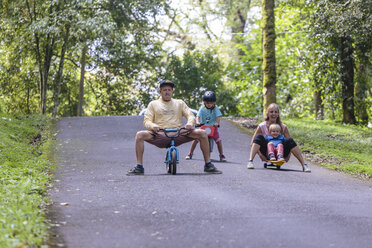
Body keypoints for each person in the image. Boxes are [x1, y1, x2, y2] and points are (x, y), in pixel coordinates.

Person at [127, 80, 222, 175]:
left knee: (202, 133)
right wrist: (153, 126)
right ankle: (139, 167)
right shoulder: (153, 104)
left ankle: (208, 165)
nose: (167, 92)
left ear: (172, 91)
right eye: (164, 90)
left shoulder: (179, 103)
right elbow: (147, 120)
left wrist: (190, 123)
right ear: (160, 91)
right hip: (160, 133)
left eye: (169, 90)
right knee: (139, 135)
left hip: (178, 133)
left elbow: (190, 115)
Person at [246, 103, 311, 172]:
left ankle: (304, 165)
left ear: (278, 114)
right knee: (258, 137)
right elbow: (252, 142)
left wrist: (288, 156)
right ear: (267, 113)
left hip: (281, 152)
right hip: (267, 151)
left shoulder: (283, 127)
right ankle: (250, 161)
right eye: (271, 112)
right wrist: (260, 154)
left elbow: (290, 143)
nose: (273, 114)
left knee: (290, 140)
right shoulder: (262, 126)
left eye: (275, 112)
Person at [185, 91, 227, 162]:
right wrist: (198, 122)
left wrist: (217, 123)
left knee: (218, 141)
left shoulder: (215, 108)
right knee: (195, 139)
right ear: (204, 102)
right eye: (207, 103)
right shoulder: (202, 108)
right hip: (203, 127)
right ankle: (190, 153)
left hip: (213, 127)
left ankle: (221, 154)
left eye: (211, 103)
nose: (209, 104)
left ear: (214, 103)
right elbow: (198, 116)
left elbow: (218, 117)